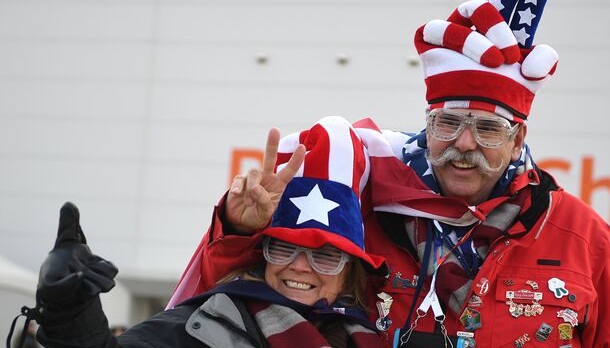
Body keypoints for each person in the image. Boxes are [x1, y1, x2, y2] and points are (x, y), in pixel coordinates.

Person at [168, 0, 610, 348]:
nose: (465, 143)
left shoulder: (583, 235)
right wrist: (238, 234)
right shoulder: (364, 205)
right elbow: (238, 307)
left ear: (518, 138)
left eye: (488, 129)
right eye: (448, 122)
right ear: (427, 125)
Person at [15, 117, 388, 348]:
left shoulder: (370, 338)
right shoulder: (203, 325)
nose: (300, 267)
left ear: (349, 273)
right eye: (283, 248)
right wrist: (70, 309)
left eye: (325, 254)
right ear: (263, 256)